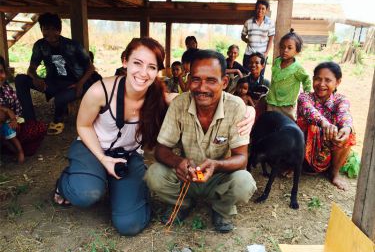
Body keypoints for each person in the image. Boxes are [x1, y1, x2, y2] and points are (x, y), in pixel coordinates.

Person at [53, 39, 255, 236]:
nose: (143, 72)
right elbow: (83, 125)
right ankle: (68, 183)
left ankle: (220, 210)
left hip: (126, 157)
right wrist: (104, 159)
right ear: (125, 61)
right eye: (137, 63)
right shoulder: (100, 90)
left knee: (129, 225)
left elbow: (194, 99)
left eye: (151, 66)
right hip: (94, 149)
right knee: (88, 192)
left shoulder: (159, 96)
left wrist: (250, 111)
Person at [144, 50, 257, 233]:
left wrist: (216, 165)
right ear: (188, 81)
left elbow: (241, 158)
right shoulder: (179, 104)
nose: (202, 87)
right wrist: (178, 162)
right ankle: (182, 203)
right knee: (154, 174)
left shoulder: (236, 107)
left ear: (225, 82)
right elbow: (161, 150)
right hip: (185, 176)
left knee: (244, 182)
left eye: (211, 80)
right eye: (196, 79)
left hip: (217, 178)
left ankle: (221, 209)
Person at [14, 13, 96, 135]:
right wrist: (36, 78)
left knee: (60, 98)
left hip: (73, 83)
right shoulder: (40, 45)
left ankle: (58, 120)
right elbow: (31, 69)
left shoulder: (73, 45)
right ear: (41, 29)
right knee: (20, 79)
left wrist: (80, 84)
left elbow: (90, 68)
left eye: (54, 29)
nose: (50, 33)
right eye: (46, 29)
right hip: (52, 82)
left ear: (59, 30)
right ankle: (30, 121)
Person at [297, 62, 356, 191]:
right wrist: (324, 124)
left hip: (327, 153)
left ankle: (334, 173)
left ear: (338, 82)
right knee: (307, 125)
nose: (321, 84)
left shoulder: (341, 100)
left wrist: (346, 128)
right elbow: (310, 112)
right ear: (313, 80)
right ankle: (294, 166)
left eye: (328, 80)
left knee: (348, 133)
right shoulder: (304, 97)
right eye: (318, 79)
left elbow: (344, 114)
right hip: (304, 155)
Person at [0, 55, 47, 159]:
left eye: (1, 71)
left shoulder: (6, 88)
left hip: (12, 129)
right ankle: (10, 147)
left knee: (39, 127)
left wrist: (14, 120)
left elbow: (17, 111)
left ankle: (14, 149)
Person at [266, 29, 311, 120]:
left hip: (287, 105)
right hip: (272, 101)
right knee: (270, 122)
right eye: (282, 47)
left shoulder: (297, 68)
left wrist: (307, 95)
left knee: (287, 125)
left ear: (297, 51)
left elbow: (306, 79)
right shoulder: (277, 62)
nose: (285, 50)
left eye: (289, 48)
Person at [241, 0, 275, 72]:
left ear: (266, 10)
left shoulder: (270, 23)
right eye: (258, 8)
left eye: (263, 8)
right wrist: (249, 41)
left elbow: (271, 39)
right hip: (249, 54)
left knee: (259, 79)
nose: (260, 10)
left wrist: (266, 53)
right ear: (255, 9)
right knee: (246, 77)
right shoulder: (248, 22)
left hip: (262, 55)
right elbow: (242, 36)